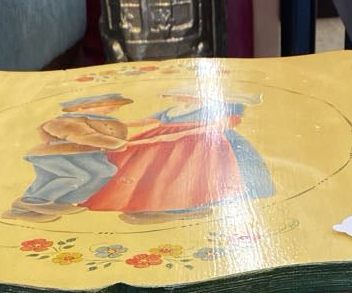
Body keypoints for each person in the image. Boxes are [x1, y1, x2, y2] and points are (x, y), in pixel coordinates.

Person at [81, 88, 275, 224]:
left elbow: (222, 124)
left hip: (197, 141)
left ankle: (188, 207)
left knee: (188, 172)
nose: (182, 98)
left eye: (185, 94)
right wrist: (115, 124)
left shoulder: (213, 107)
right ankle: (148, 203)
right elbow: (146, 120)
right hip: (166, 139)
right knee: (146, 165)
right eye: (179, 95)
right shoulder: (174, 110)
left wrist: (181, 134)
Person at [5, 93, 133, 221]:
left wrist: (119, 143)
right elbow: (83, 136)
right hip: (54, 155)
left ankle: (62, 201)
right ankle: (32, 201)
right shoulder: (64, 121)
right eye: (108, 105)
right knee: (74, 176)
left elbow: (115, 136)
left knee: (105, 171)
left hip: (88, 155)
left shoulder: (107, 121)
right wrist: (117, 144)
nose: (114, 109)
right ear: (80, 108)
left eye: (116, 106)